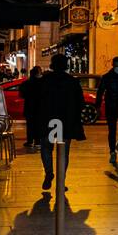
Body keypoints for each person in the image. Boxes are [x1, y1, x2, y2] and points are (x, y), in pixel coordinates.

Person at [34, 54, 85, 191]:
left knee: (46, 147)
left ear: (52, 65)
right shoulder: (72, 82)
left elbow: (37, 101)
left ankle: (49, 173)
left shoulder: (45, 80)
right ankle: (61, 181)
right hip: (66, 122)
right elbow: (80, 103)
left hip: (48, 120)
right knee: (64, 151)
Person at [18, 66, 43, 147]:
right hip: (40, 107)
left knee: (30, 125)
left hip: (29, 106)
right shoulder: (43, 83)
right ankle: (38, 141)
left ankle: (30, 141)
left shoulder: (26, 83)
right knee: (39, 124)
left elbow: (21, 94)